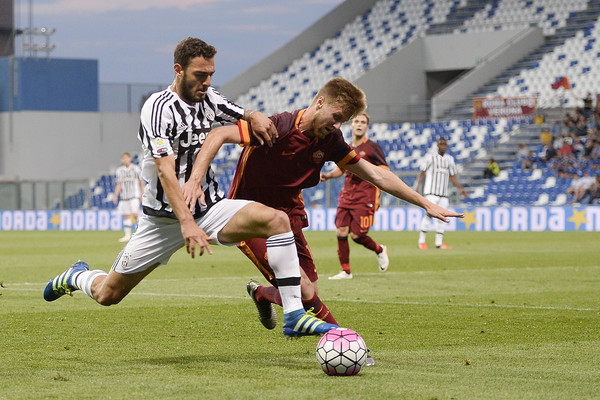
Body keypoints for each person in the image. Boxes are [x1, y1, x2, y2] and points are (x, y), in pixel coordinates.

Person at [42, 37, 338, 339]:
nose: (207, 82)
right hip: (163, 221)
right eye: (200, 75)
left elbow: (239, 111)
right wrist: (186, 223)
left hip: (211, 210)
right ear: (178, 70)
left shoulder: (209, 99)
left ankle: (294, 315)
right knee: (109, 294)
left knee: (277, 220)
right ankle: (78, 275)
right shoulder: (158, 108)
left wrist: (255, 115)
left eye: (211, 74)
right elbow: (165, 170)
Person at [181, 77, 464, 335]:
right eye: (337, 117)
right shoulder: (277, 127)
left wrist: (425, 203)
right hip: (249, 217)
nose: (337, 126)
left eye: (343, 121)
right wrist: (194, 181)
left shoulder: (331, 141)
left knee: (308, 290)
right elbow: (217, 135)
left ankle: (262, 294)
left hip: (288, 216)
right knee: (305, 291)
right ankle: (343, 339)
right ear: (319, 103)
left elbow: (377, 174)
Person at [319, 112, 390, 280]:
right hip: (347, 195)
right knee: (341, 231)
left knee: (357, 236)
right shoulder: (346, 147)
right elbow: (342, 169)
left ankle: (379, 249)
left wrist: (376, 190)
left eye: (363, 122)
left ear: (367, 126)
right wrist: (328, 175)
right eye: (356, 121)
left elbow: (384, 171)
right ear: (351, 125)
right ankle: (346, 271)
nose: (359, 124)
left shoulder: (373, 148)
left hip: (365, 196)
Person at [416, 137, 468, 250]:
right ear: (437, 145)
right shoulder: (430, 158)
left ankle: (439, 243)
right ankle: (421, 241)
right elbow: (422, 172)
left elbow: (452, 176)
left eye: (445, 144)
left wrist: (461, 189)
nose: (443, 146)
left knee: (443, 217)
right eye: (441, 144)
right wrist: (418, 186)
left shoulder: (450, 159)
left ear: (447, 146)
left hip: (444, 194)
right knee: (429, 214)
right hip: (431, 193)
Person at [113, 152, 144, 242]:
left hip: (134, 196)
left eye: (127, 158)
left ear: (130, 159)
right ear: (122, 160)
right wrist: (116, 196)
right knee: (126, 215)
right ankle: (127, 236)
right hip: (124, 197)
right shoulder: (120, 170)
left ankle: (139, 234)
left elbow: (141, 182)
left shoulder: (136, 169)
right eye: (124, 158)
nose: (125, 160)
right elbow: (119, 184)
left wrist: (142, 194)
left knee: (135, 214)